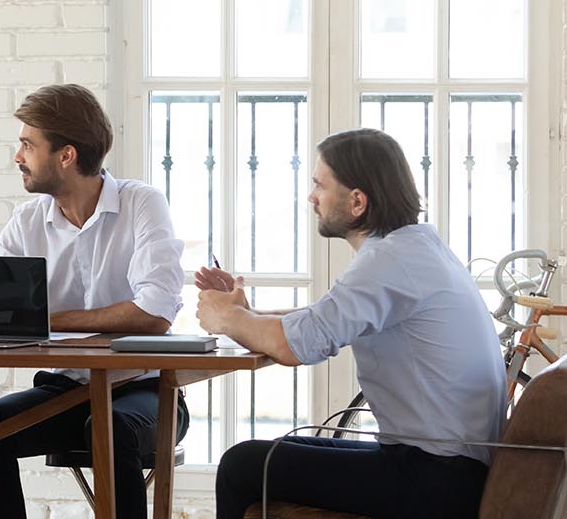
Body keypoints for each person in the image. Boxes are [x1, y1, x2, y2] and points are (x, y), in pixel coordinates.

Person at [199, 128, 506, 518]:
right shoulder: (415, 247)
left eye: (319, 186)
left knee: (241, 466)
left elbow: (298, 345)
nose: (311, 197)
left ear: (357, 201)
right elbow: (321, 318)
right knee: (274, 451)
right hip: (446, 467)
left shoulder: (388, 261)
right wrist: (248, 315)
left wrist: (226, 316)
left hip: (435, 479)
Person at [0, 84, 189, 519]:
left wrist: (51, 318)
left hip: (145, 391)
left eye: (26, 145)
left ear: (66, 155)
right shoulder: (28, 220)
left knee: (108, 428)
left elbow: (153, 313)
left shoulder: (142, 204)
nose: (17, 156)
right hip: (67, 391)